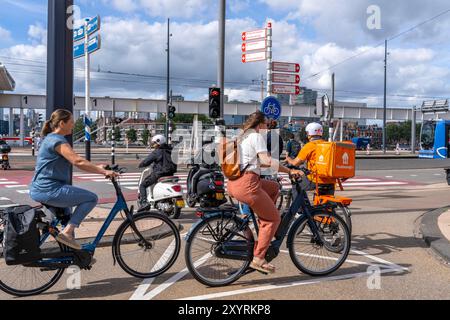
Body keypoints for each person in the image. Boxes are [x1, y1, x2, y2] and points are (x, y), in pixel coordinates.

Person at [227, 111, 304, 275]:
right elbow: (267, 160)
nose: (268, 128)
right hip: (248, 184)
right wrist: (289, 171)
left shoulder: (243, 137)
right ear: (260, 124)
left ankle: (263, 220)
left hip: (235, 183)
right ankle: (259, 258)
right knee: (273, 218)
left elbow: (258, 163)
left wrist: (281, 168)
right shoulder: (256, 136)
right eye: (267, 125)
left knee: (274, 187)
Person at [30, 109, 118, 250]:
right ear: (62, 123)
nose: (73, 125)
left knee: (67, 219)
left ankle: (75, 255)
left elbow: (74, 162)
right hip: (49, 189)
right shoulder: (57, 141)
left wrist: (97, 167)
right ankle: (68, 233)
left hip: (43, 188)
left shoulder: (51, 138)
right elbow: (77, 161)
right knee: (91, 198)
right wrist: (103, 171)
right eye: (71, 122)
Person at [286, 122, 336, 194]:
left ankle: (297, 204)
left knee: (295, 180)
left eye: (307, 133)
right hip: (331, 181)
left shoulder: (309, 146)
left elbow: (295, 163)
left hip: (315, 180)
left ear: (309, 134)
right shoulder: (328, 145)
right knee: (327, 203)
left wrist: (288, 159)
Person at [138, 135, 177, 210]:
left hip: (159, 174)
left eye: (154, 143)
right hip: (171, 174)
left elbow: (147, 161)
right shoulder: (172, 150)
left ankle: (144, 203)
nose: (153, 145)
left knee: (142, 185)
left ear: (159, 142)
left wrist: (141, 164)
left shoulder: (157, 152)